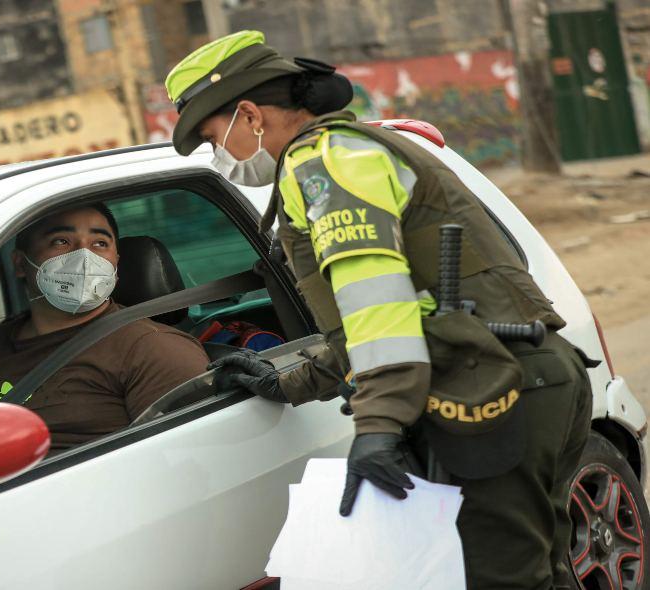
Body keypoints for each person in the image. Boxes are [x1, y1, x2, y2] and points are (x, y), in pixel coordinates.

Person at [165, 30, 592, 590]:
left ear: (249, 115)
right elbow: (384, 321)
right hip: (523, 377)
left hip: (493, 387)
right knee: (542, 573)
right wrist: (291, 381)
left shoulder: (322, 165)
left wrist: (378, 424)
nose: (216, 154)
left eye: (210, 136)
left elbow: (378, 302)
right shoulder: (351, 150)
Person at [0, 203, 210, 450]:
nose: (84, 258)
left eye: (100, 244)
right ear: (20, 264)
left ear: (116, 263)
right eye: (61, 241)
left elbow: (191, 466)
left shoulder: (155, 350)